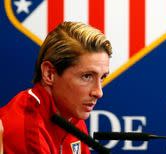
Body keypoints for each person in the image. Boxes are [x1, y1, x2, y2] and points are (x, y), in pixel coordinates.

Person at [0, 22, 112, 153]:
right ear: (49, 73)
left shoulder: (71, 114)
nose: (99, 92)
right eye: (87, 76)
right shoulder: (27, 128)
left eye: (102, 77)